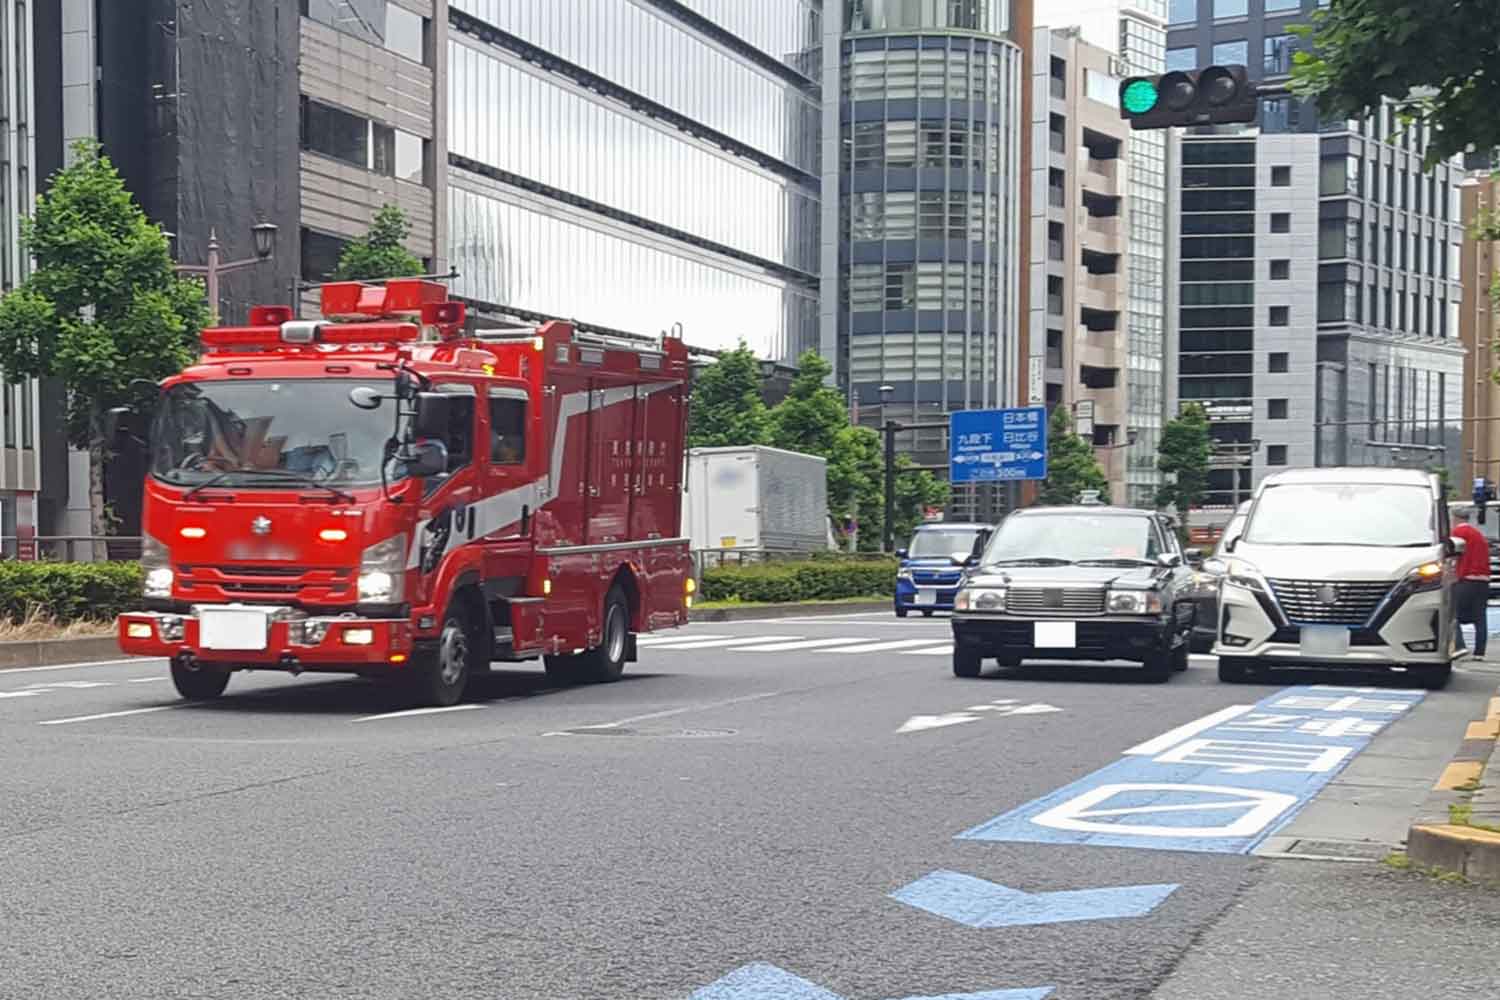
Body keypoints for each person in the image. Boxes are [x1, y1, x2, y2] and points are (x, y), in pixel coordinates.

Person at [1452, 507, 1491, 660]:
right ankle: (1479, 652)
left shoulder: (1458, 534)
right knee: (1480, 617)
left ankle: (1460, 646)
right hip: (1483, 580)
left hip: (1466, 578)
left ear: (1455, 518)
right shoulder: (1479, 535)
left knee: (1453, 615)